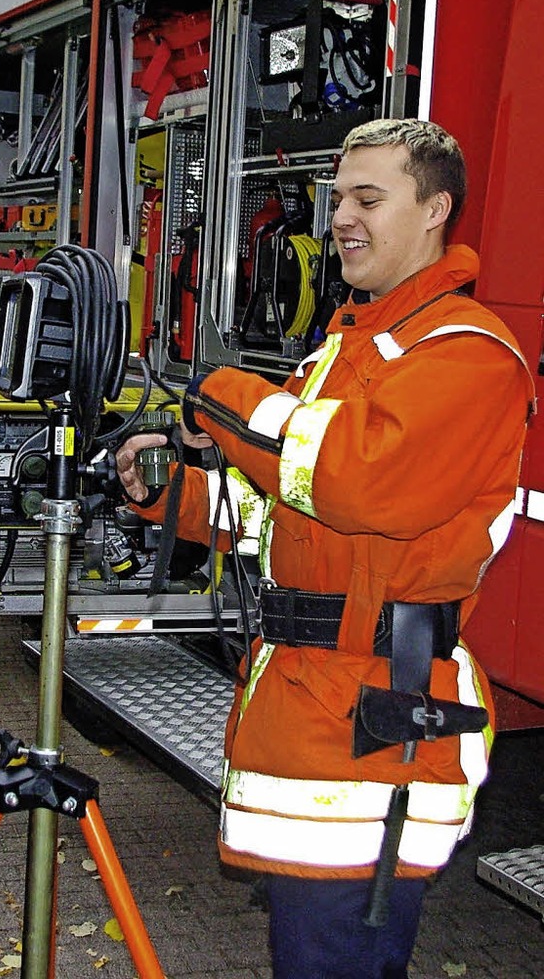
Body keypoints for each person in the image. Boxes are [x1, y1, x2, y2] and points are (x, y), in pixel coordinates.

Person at [115, 118, 534, 978]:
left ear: (435, 210)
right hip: (317, 717)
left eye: (368, 198)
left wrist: (223, 398)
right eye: (337, 197)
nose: (340, 217)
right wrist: (172, 495)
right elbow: (291, 525)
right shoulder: (349, 349)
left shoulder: (470, 355)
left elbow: (358, 480)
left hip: (372, 739)